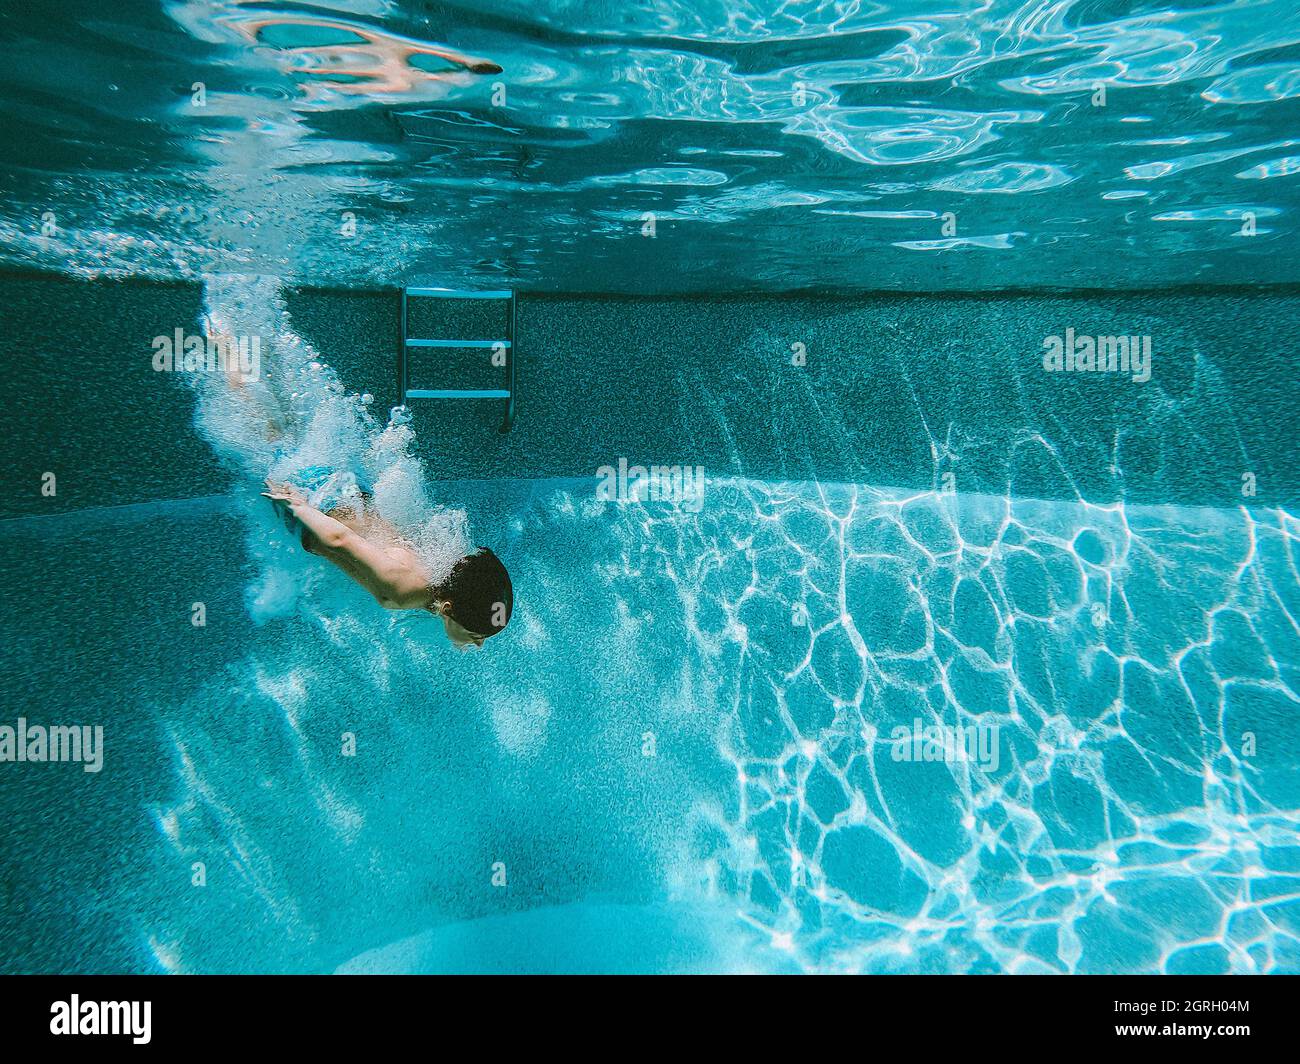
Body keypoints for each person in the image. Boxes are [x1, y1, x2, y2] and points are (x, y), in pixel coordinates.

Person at [262, 476, 512, 649]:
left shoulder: (450, 572)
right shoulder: (403, 592)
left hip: (347, 495)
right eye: (475, 636)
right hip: (313, 505)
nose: (480, 644)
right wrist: (297, 506)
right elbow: (340, 539)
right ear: (447, 609)